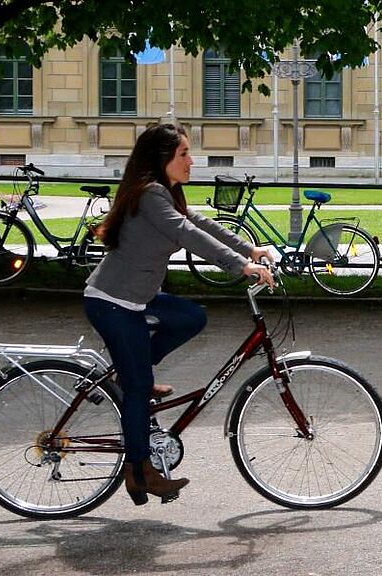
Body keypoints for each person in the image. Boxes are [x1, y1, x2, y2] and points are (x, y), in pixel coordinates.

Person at [84, 123, 274, 505]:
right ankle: (139, 472)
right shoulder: (150, 194)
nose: (191, 161)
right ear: (163, 159)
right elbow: (187, 235)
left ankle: (132, 369)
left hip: (136, 299)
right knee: (138, 390)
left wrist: (249, 249)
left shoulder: (164, 192)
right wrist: (240, 266)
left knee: (191, 317)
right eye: (184, 154)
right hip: (113, 303)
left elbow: (198, 223)